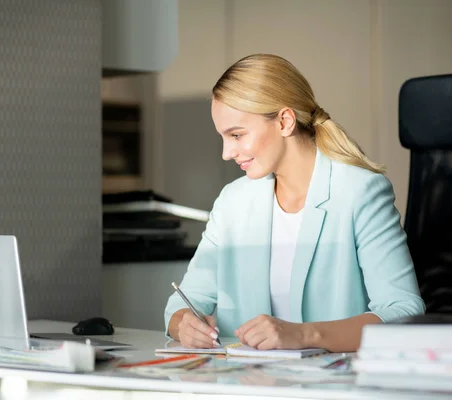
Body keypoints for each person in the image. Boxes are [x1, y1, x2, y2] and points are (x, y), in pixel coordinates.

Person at [164, 54, 425, 352]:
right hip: (246, 385)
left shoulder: (359, 192)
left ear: (285, 122)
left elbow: (404, 311)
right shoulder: (233, 201)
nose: (226, 152)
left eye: (236, 135)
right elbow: (181, 304)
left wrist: (303, 335)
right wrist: (184, 323)